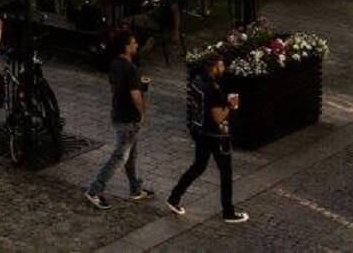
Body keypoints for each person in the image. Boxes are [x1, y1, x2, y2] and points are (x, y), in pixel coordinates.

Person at [164, 52, 247, 224]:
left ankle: (174, 197)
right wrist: (231, 106)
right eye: (221, 65)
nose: (223, 68)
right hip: (216, 135)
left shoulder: (197, 81)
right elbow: (218, 117)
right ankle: (228, 211)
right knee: (226, 172)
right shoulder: (212, 89)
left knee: (199, 166)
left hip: (200, 132)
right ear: (214, 67)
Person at [85, 29, 151, 208]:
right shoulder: (130, 68)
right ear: (126, 47)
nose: (136, 45)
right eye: (133, 43)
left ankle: (135, 188)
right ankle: (95, 189)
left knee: (130, 154)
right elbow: (135, 94)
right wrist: (142, 112)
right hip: (128, 116)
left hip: (117, 112)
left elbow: (120, 87)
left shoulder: (115, 64)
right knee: (121, 156)